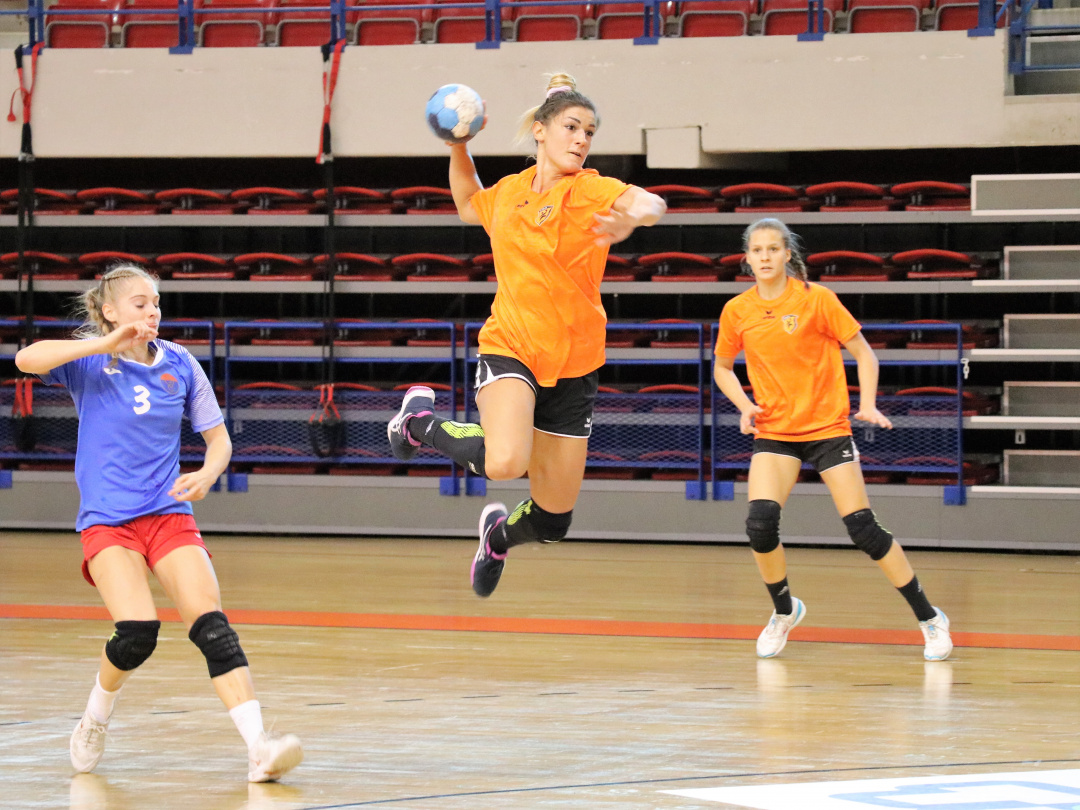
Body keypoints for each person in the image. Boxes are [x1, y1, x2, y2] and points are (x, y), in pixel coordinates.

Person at [14, 265, 303, 781]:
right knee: (137, 634)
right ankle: (95, 716)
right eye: (140, 303)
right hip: (109, 522)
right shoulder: (89, 361)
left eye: (156, 303)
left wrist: (208, 473)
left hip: (167, 513)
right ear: (110, 312)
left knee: (212, 626)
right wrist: (104, 344)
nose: (153, 312)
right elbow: (25, 359)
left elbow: (219, 440)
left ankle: (259, 748)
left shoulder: (180, 362)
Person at [388, 72, 666, 597]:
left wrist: (633, 220)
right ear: (541, 130)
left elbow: (650, 203)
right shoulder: (510, 194)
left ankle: (497, 537)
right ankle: (417, 423)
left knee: (553, 520)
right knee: (505, 461)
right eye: (571, 127)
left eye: (589, 132)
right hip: (511, 347)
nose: (581, 140)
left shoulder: (589, 190)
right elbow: (468, 202)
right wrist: (458, 147)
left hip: (575, 364)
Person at [712, 218, 953, 662]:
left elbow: (864, 353)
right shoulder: (737, 310)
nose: (765, 257)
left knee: (863, 528)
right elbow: (722, 367)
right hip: (776, 431)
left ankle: (930, 617)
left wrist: (868, 403)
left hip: (827, 429)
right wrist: (744, 406)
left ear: (788, 254)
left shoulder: (817, 299)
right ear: (747, 258)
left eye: (773, 249)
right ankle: (785, 611)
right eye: (757, 250)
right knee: (760, 524)